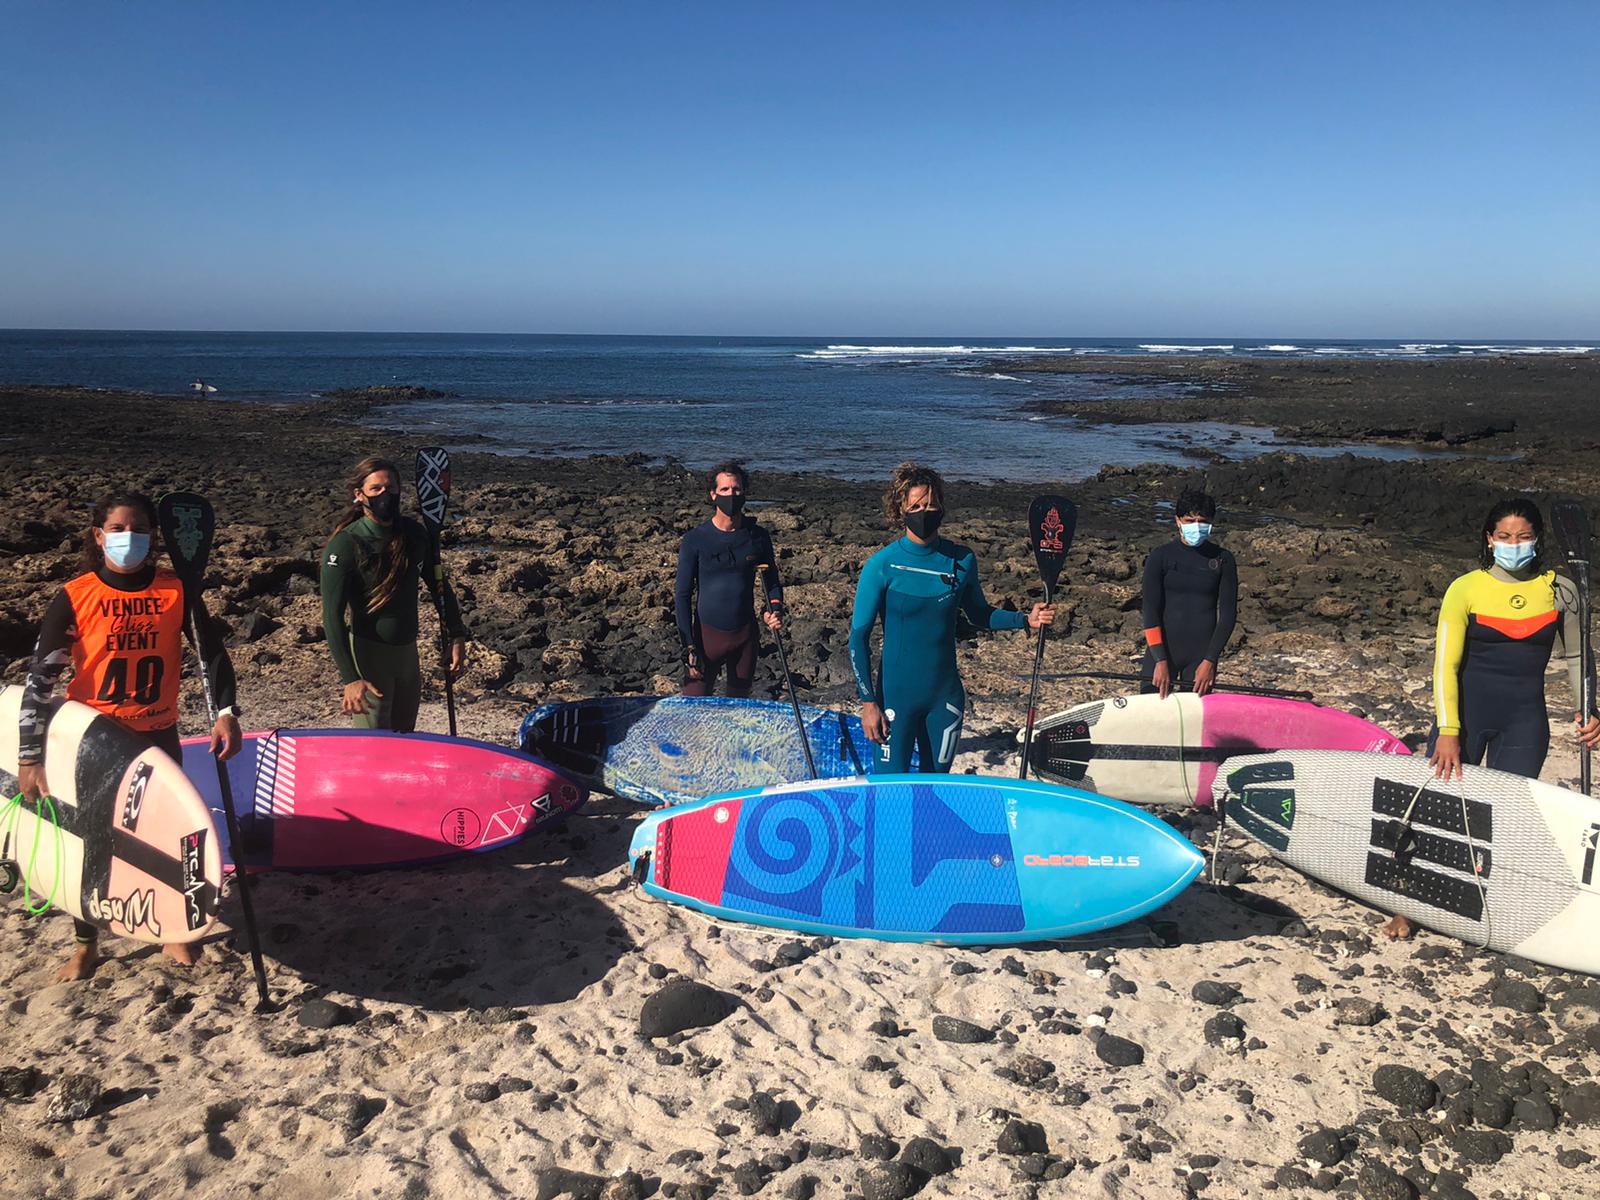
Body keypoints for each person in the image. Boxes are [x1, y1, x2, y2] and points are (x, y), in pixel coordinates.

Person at [15, 491, 242, 982]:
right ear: (99, 537)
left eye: (139, 528)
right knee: (91, 840)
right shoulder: (76, 595)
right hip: (94, 740)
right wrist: (30, 756)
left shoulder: (176, 590)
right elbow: (41, 679)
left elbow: (212, 655)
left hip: (157, 732)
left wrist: (225, 713)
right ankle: (86, 943)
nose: (129, 537)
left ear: (154, 537)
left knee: (172, 831)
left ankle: (174, 930)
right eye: (118, 529)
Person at [1384, 497, 1600, 940]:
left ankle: (1485, 902)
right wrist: (1448, 730)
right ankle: (1410, 904)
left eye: (1523, 536)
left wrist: (1589, 708)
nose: (1513, 544)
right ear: (1489, 539)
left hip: (1525, 720)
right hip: (1466, 717)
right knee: (1439, 811)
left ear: (1537, 539)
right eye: (1504, 536)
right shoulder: (1465, 588)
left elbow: (1578, 656)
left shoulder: (1562, 590)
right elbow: (1444, 665)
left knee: (1505, 818)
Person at [850, 462, 1055, 772]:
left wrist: (1026, 620)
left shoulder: (961, 560)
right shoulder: (882, 565)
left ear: (942, 506)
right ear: (900, 509)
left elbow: (980, 614)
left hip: (944, 700)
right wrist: (868, 703)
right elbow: (858, 638)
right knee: (890, 791)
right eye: (916, 506)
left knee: (935, 788)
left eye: (931, 505)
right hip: (895, 700)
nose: (924, 512)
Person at [321, 456, 468, 730]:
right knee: (373, 744)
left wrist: (457, 635)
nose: (384, 494)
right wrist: (350, 678)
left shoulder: (415, 535)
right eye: (376, 489)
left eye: (390, 487)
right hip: (369, 658)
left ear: (400, 489)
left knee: (405, 738)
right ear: (359, 495)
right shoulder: (345, 545)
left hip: (408, 658)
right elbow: (331, 617)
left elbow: (440, 587)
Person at [675, 462, 784, 696]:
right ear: (713, 495)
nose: (731, 495)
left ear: (744, 492)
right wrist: (688, 647)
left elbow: (772, 582)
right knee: (694, 709)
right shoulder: (695, 539)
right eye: (724, 489)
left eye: (736, 489)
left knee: (738, 709)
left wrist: (775, 610)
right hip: (705, 640)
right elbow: (682, 595)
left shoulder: (757, 537)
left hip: (745, 638)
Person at [1140, 488, 1238, 697]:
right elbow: (1150, 611)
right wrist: (1160, 660)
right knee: (1151, 711)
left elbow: (1228, 616)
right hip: (1162, 652)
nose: (1196, 526)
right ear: (1178, 521)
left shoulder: (1223, 559)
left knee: (1193, 715)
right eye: (1190, 520)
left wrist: (1210, 661)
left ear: (1211, 522)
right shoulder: (1160, 557)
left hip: (1201, 658)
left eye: (1202, 521)